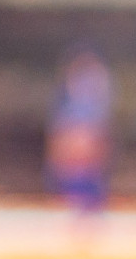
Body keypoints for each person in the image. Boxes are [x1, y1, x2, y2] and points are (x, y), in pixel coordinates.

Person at [46, 47, 113, 215]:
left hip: (90, 178)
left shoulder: (99, 114)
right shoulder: (66, 113)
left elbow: (103, 148)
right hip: (70, 178)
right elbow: (58, 147)